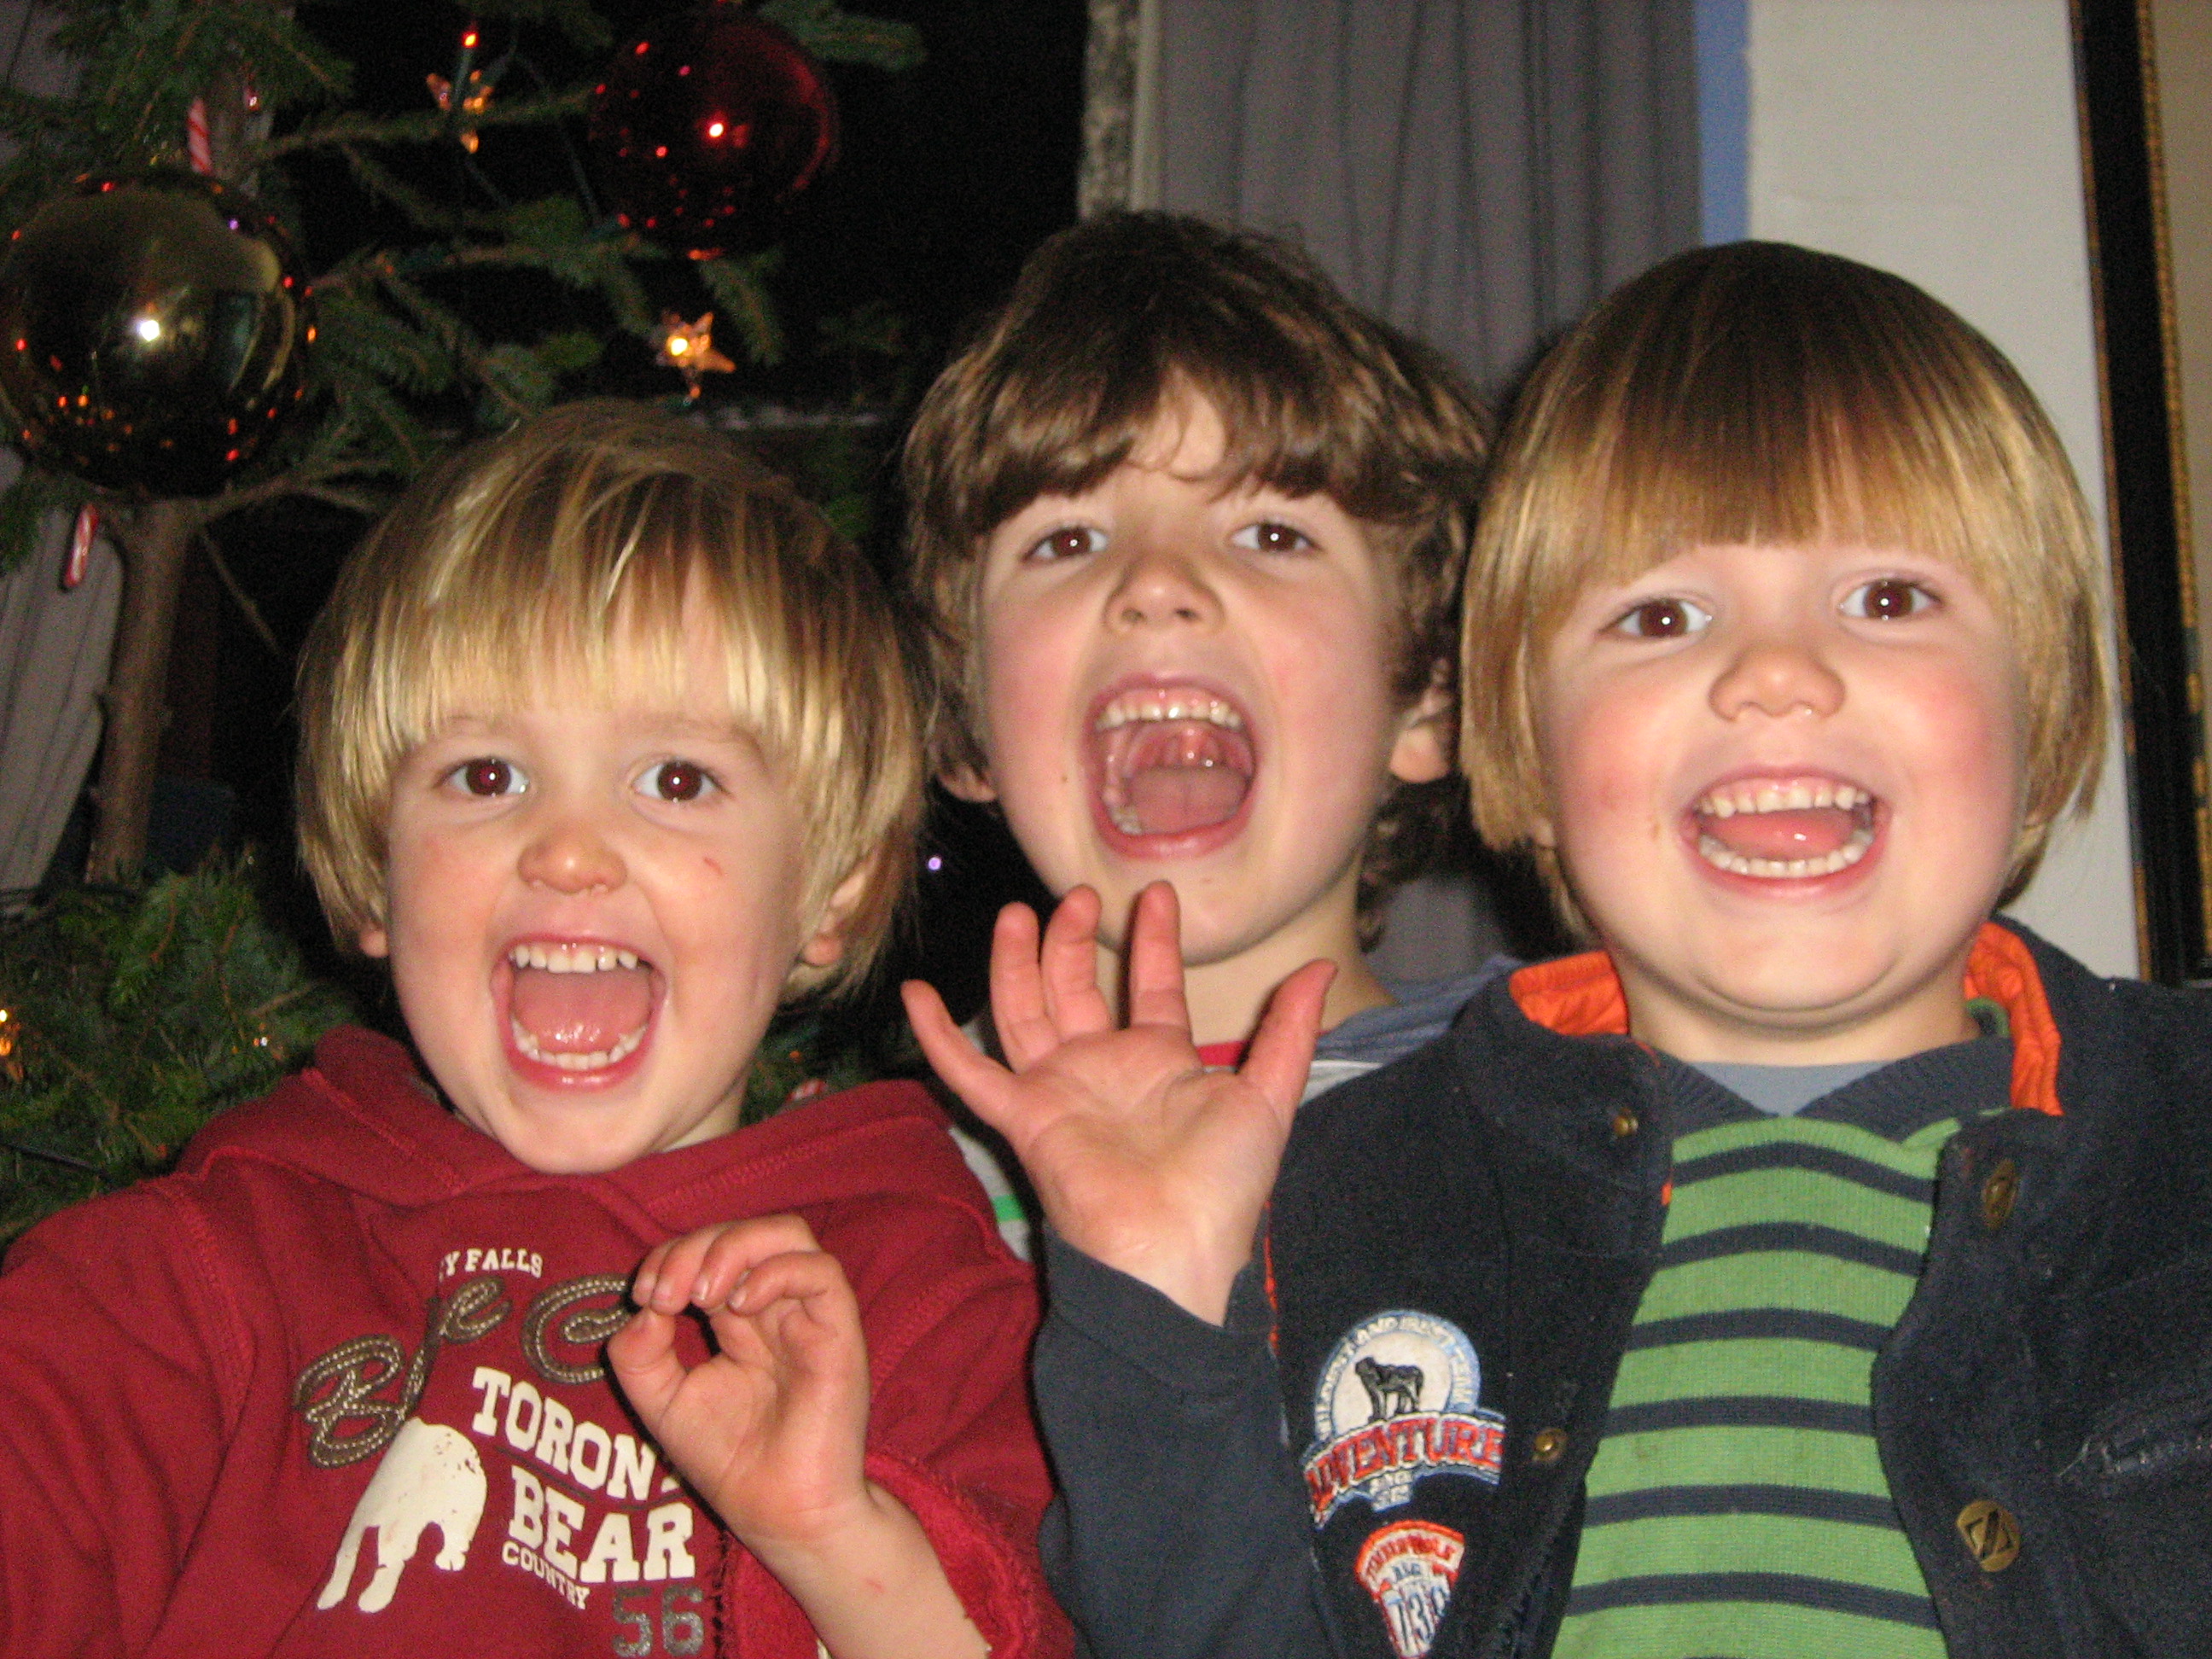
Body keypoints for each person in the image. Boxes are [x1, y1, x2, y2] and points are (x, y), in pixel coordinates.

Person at [914, 241, 2212, 1659]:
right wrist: (1156, 1307)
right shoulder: (1371, 1189)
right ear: (1516, 746)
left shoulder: (2179, 1144)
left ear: (2049, 705)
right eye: (1661, 616)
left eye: (1889, 599)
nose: (1774, 672)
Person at [0, 402, 1067, 1659]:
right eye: (486, 776)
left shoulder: (915, 1299)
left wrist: (835, 1540)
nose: (566, 851)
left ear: (827, 894)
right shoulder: (207, 1270)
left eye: (677, 780)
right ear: (373, 872)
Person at [898, 210, 1499, 1266]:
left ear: (1428, 702)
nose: (1157, 582)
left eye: (1271, 533)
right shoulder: (891, 1210)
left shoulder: (1550, 1129)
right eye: (1067, 539)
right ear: (968, 728)